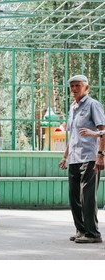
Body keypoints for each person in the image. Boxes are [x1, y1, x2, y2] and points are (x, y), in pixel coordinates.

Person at [58, 74, 104, 244]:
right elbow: (73, 135)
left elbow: (103, 131)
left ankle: (93, 233)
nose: (74, 89)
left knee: (88, 197)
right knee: (74, 197)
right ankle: (81, 230)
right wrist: (65, 156)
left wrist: (101, 155)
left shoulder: (93, 105)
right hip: (74, 158)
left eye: (78, 85)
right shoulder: (73, 107)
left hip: (90, 157)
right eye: (72, 86)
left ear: (86, 87)